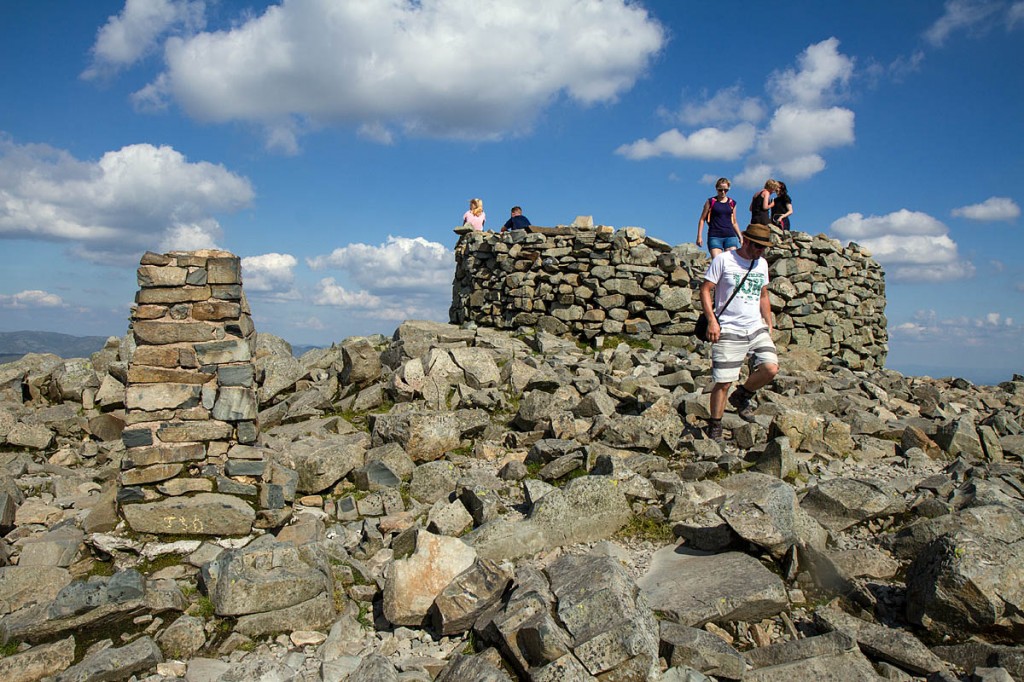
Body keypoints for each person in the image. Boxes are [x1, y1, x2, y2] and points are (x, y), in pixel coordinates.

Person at [699, 223, 779, 442]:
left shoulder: (761, 263)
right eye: (757, 246)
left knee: (770, 368)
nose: (760, 251)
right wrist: (712, 321)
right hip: (728, 327)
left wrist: (768, 322)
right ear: (745, 240)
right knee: (723, 381)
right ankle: (715, 425)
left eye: (763, 247)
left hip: (755, 326)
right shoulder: (723, 260)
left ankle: (742, 395)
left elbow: (763, 294)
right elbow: (705, 289)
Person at [696, 177, 742, 258]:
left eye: (726, 190)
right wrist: (699, 236)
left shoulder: (732, 203)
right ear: (716, 189)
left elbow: (734, 222)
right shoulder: (711, 201)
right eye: (720, 190)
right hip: (715, 236)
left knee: (730, 263)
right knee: (717, 262)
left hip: (730, 236)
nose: (723, 192)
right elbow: (702, 219)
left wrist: (740, 237)